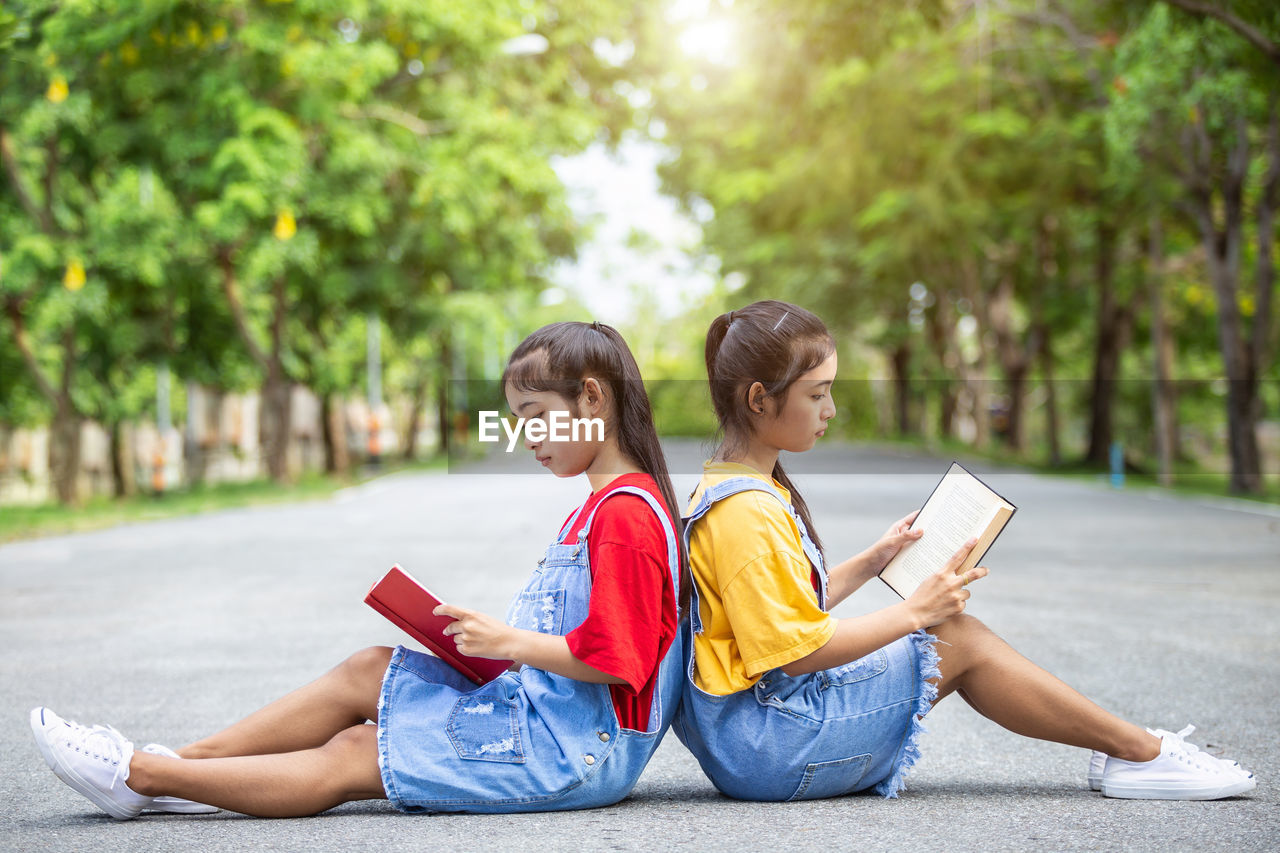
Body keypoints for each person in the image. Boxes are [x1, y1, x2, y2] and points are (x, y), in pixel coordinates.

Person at [30, 320, 687, 819]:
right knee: (367, 667)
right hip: (550, 714)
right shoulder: (600, 505)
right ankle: (187, 760)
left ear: (593, 399)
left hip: (575, 751)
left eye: (537, 418)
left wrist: (507, 641)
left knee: (352, 752)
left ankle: (141, 776)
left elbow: (617, 659)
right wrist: (478, 646)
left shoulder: (625, 516)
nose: (530, 439)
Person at [671, 299, 1256, 802]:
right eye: (817, 394)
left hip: (753, 740)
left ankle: (1126, 749)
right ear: (758, 400)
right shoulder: (746, 511)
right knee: (958, 636)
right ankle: (1140, 753)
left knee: (952, 631)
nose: (830, 410)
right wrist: (915, 612)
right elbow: (793, 654)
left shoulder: (729, 488)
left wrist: (875, 560)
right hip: (773, 746)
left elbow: (770, 610)